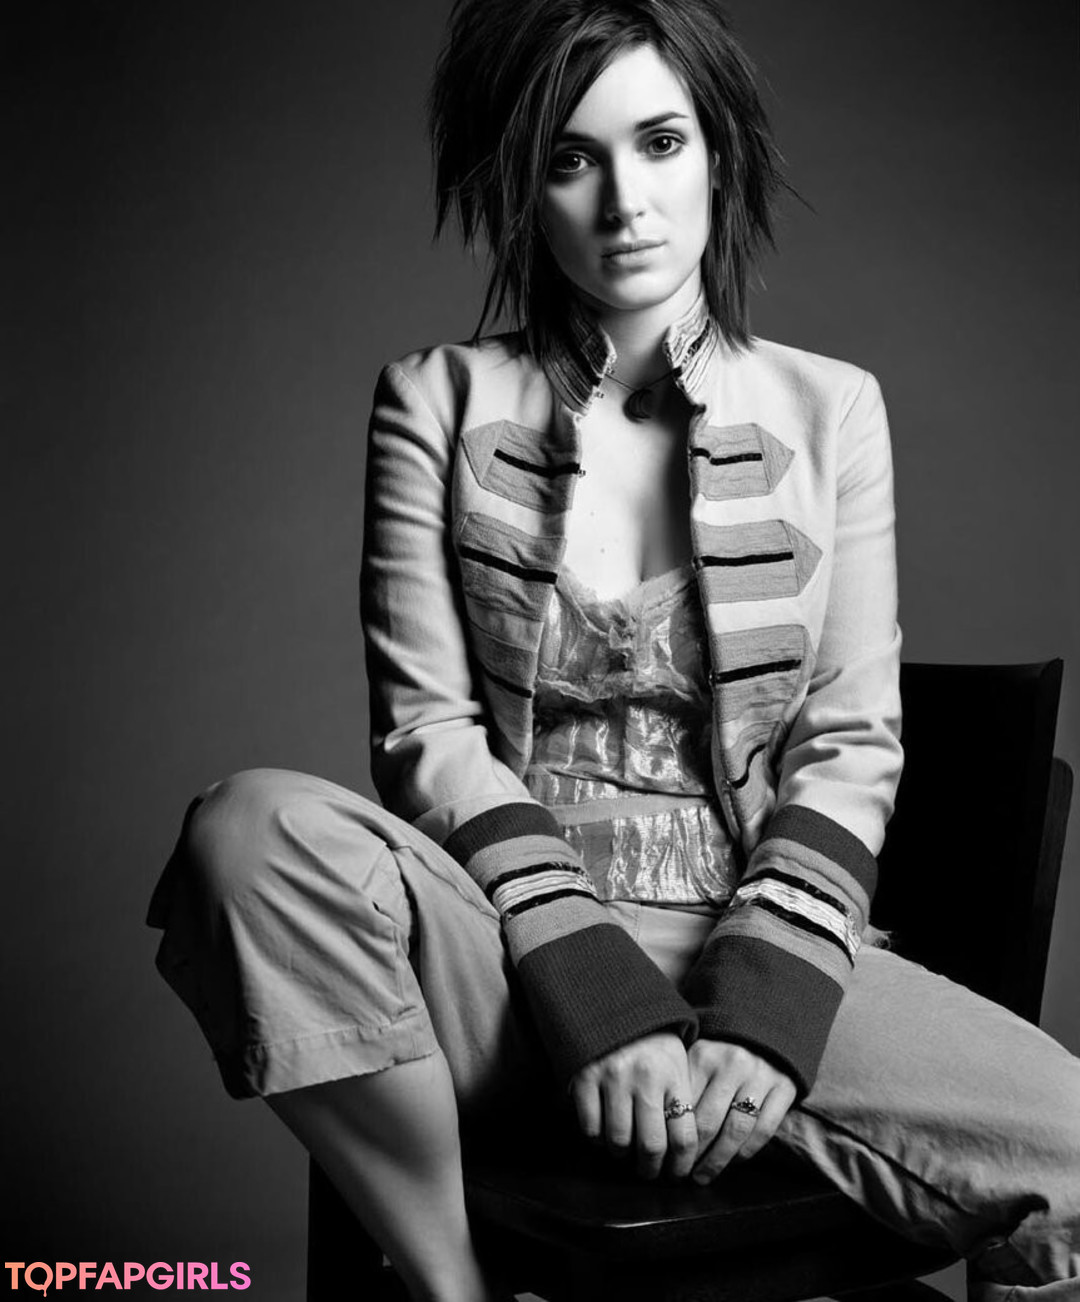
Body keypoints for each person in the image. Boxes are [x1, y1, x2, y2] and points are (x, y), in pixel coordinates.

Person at [146, 2, 1080, 1300]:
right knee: (248, 832)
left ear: (718, 157)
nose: (624, 200)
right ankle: (451, 1288)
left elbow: (849, 739)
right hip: (499, 952)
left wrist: (766, 1015)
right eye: (570, 160)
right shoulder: (435, 399)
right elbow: (428, 736)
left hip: (751, 940)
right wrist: (591, 985)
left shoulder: (830, 409)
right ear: (521, 192)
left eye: (660, 142)